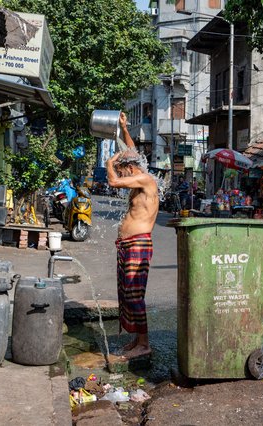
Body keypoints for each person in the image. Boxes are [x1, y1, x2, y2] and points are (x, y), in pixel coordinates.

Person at [106, 112, 159, 360]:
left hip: (138, 243)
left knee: (134, 295)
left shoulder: (146, 180)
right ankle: (137, 339)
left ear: (128, 168)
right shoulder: (137, 174)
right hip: (128, 244)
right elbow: (132, 151)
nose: (122, 174)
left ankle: (144, 343)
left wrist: (109, 165)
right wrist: (124, 128)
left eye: (122, 169)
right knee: (127, 293)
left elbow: (114, 182)